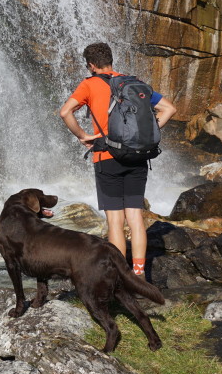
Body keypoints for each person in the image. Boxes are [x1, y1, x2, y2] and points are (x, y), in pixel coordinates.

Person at [59, 42, 177, 278]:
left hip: (106, 156)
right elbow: (169, 109)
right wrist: (146, 134)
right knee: (135, 215)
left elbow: (65, 112)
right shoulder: (133, 84)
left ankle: (122, 275)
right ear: (111, 60)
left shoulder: (89, 84)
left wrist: (82, 136)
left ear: (91, 65)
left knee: (115, 220)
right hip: (137, 156)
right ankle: (140, 273)